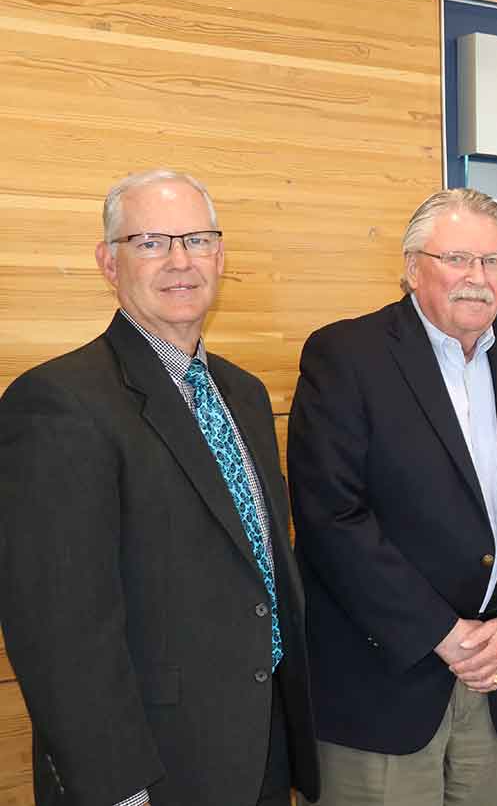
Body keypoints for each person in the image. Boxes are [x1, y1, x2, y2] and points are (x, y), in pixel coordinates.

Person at [0, 169, 319, 806]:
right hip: (154, 767)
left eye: (197, 240)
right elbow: (56, 629)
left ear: (221, 255)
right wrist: (120, 790)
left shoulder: (246, 394)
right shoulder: (57, 402)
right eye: (150, 242)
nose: (180, 261)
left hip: (260, 746)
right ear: (107, 262)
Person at [287, 189, 497, 806]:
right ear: (410, 266)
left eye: (494, 262)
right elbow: (332, 518)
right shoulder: (347, 356)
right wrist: (442, 634)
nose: (477, 279)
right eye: (457, 258)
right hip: (384, 683)